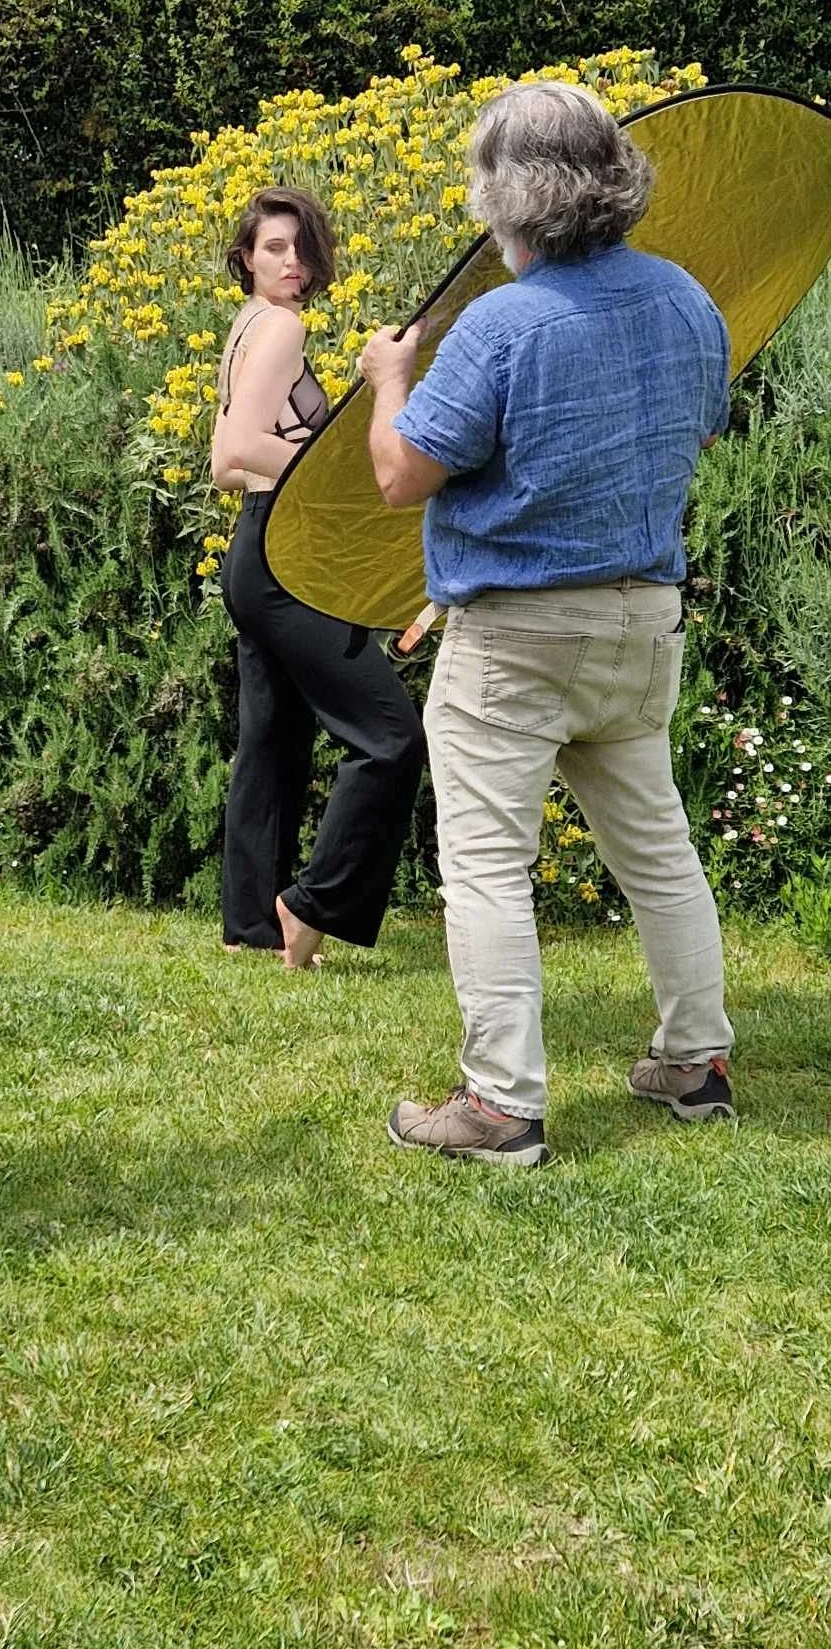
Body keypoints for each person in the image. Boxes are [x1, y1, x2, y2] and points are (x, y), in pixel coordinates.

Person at [358, 80, 732, 1168]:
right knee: (658, 848)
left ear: (505, 193)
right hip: (643, 620)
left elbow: (395, 474)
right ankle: (695, 1061)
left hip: (515, 636)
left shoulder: (499, 324)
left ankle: (501, 1105)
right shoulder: (685, 299)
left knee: (484, 864)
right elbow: (694, 438)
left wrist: (391, 378)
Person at [210, 187, 425, 968]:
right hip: (282, 557)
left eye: (301, 248)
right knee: (390, 738)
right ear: (245, 258)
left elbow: (222, 454)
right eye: (274, 249)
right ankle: (310, 909)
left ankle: (252, 925)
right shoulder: (280, 329)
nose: (292, 264)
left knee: (272, 739)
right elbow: (234, 453)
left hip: (261, 550)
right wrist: (333, 471)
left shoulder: (245, 329)